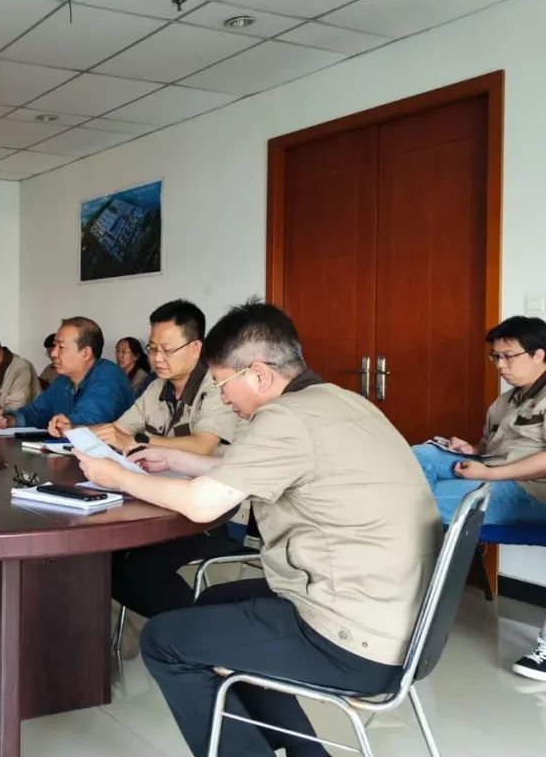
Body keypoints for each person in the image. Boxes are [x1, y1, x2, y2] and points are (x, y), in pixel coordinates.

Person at [75, 301, 441, 757]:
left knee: (163, 642)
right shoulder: (339, 402)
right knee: (214, 602)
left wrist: (118, 478)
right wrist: (173, 458)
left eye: (222, 384)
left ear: (260, 374)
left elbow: (202, 503)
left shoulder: (285, 418)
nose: (224, 399)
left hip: (353, 640)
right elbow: (251, 466)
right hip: (403, 622)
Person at [409, 316, 546, 680]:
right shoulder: (505, 401)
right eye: (495, 356)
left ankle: (401, 590)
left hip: (529, 491)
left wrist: (489, 473)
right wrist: (470, 450)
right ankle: (402, 584)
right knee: (421, 455)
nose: (500, 365)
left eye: (509, 356)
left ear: (539, 355)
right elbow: (490, 447)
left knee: (421, 502)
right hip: (492, 473)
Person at [93, 300, 244, 618]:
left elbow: (203, 445)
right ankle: (176, 628)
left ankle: (197, 628)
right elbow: (118, 429)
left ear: (195, 348)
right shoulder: (156, 388)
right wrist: (76, 430)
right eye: (152, 348)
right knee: (103, 558)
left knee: (140, 568)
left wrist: (138, 441)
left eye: (167, 349)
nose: (157, 358)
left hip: (218, 515)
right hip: (163, 503)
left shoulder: (216, 385)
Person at [0, 317, 133, 438]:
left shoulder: (108, 378)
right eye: (54, 346)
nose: (54, 353)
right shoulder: (63, 381)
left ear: (86, 354)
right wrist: (8, 420)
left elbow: (87, 422)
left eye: (61, 347)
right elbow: (36, 413)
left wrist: (63, 425)